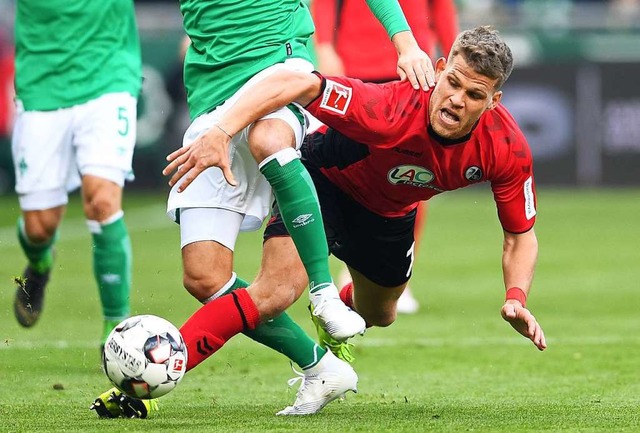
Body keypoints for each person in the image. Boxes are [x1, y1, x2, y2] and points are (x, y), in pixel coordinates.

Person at [91, 0, 436, 419]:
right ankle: (321, 367)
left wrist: (406, 45)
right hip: (212, 98)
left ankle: (325, 294)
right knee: (204, 276)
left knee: (270, 138)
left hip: (281, 71)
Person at [163, 23, 547, 369]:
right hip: (324, 184)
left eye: (475, 94)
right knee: (276, 292)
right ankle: (161, 363)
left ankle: (333, 311)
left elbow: (519, 236)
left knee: (381, 314)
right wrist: (222, 130)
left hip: (389, 214)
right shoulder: (389, 107)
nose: (457, 99)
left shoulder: (506, 148)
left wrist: (516, 297)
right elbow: (290, 83)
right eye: (453, 83)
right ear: (440, 68)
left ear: (494, 101)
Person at [312, 0, 460, 314]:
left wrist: (455, 63)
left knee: (413, 179)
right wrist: (324, 45)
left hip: (415, 72)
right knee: (344, 175)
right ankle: (336, 270)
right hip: (355, 69)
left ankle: (399, 278)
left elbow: (442, 8)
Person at [11, 0, 141, 346]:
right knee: (39, 227)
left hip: (108, 74)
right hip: (42, 84)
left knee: (102, 199)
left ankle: (116, 330)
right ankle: (39, 264)